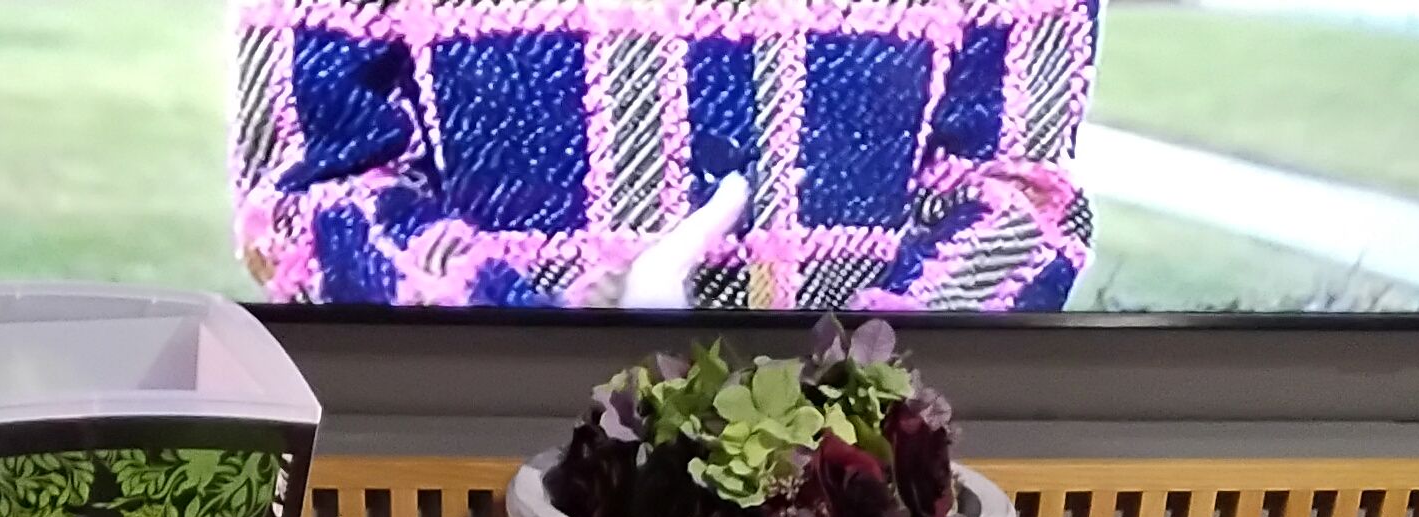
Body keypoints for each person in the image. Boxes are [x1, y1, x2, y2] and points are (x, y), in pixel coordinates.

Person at [233, 0, 1099, 312]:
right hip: (487, 494)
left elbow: (1025, 196)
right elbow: (304, 195)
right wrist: (533, 338)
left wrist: (841, 402)